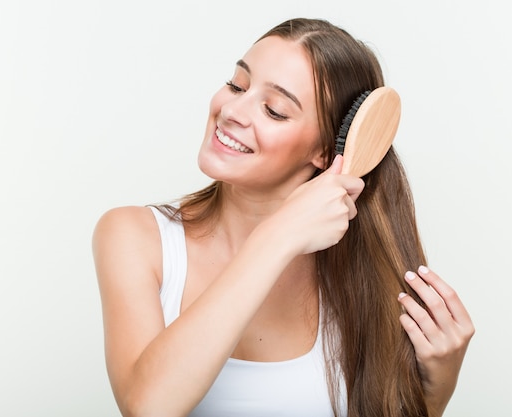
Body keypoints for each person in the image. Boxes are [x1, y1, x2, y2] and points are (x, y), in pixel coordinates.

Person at [92, 17, 474, 417]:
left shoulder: (361, 276)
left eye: (274, 111)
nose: (232, 110)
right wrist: (275, 238)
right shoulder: (135, 236)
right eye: (237, 84)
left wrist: (435, 392)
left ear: (326, 152)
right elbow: (147, 406)